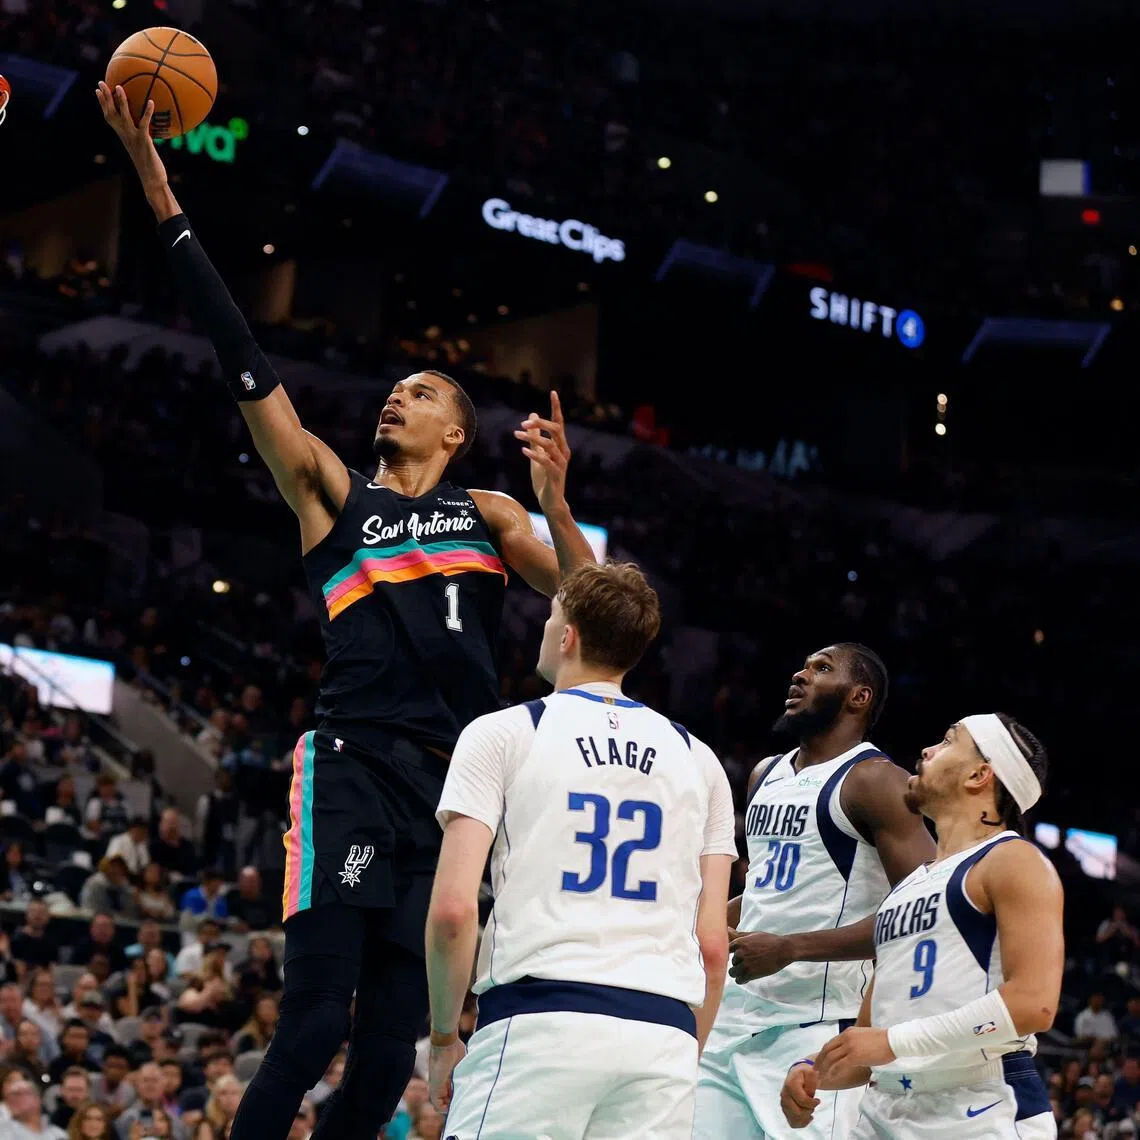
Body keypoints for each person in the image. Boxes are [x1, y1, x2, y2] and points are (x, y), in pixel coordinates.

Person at [98, 82, 596, 1140]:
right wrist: (156, 184)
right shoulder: (332, 492)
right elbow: (243, 360)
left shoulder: (493, 511)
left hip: (453, 792)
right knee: (317, 1022)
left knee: (385, 1064)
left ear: (458, 433)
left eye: (420, 393)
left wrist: (556, 506)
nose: (395, 399)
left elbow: (594, 608)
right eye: (395, 391)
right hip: (355, 770)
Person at [426, 561, 738, 1138]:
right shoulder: (702, 761)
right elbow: (712, 945)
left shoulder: (502, 733)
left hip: (541, 1021)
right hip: (663, 1033)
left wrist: (445, 1036)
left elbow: (452, 911)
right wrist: (681, 1054)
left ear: (566, 636)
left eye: (551, 617)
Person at [694, 644, 936, 1140]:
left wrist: (792, 948)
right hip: (733, 1019)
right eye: (803, 665)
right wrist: (714, 918)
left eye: (822, 668)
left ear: (858, 697)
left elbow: (925, 914)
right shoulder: (765, 774)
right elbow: (768, 887)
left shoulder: (875, 781)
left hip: (816, 1032)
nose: (801, 675)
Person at [780, 712, 1060, 1140]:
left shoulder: (1012, 861)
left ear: (979, 774)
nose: (927, 751)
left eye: (948, 742)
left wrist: (893, 1042)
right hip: (884, 1110)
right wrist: (815, 1072)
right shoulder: (906, 887)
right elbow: (871, 1036)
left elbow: (1033, 1005)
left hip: (980, 1107)